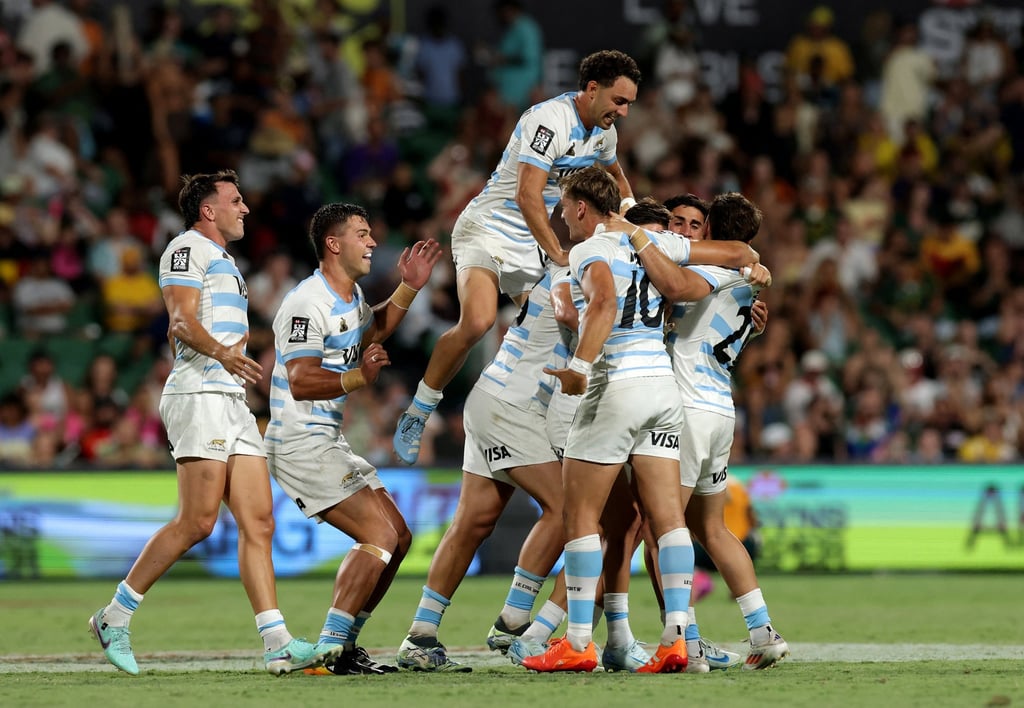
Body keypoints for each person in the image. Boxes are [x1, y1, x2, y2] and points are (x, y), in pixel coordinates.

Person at [88, 170, 323, 676]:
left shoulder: (227, 262)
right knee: (197, 521)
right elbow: (179, 321)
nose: (245, 209)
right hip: (198, 393)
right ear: (208, 210)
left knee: (259, 521)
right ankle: (114, 616)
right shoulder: (185, 248)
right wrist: (225, 355)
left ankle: (278, 642)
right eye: (235, 201)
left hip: (231, 399)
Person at [521, 167, 741, 673]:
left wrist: (578, 368)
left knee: (581, 517)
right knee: (667, 521)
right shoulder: (656, 241)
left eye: (563, 207)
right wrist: (753, 269)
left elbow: (603, 302)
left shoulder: (588, 249)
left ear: (580, 208)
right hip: (663, 391)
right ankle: (676, 638)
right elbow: (736, 254)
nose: (560, 216)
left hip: (614, 385)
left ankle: (577, 641)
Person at [393, 49, 642, 465]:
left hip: (530, 243)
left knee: (565, 324)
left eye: (630, 103)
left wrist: (633, 214)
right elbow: (527, 196)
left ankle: (546, 419)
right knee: (478, 320)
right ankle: (419, 409)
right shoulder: (549, 120)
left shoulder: (605, 132)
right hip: (486, 231)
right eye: (619, 101)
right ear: (593, 89)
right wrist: (559, 255)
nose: (624, 111)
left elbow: (616, 176)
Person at [264, 202, 442, 676]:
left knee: (399, 539)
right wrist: (356, 380)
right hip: (298, 441)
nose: (372, 243)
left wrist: (408, 287)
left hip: (326, 439)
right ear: (333, 243)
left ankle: (345, 646)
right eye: (362, 234)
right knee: (378, 535)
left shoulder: (350, 295)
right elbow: (300, 380)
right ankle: (327, 650)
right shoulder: (307, 302)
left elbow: (370, 329)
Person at [626, 191, 790, 671]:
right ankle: (763, 631)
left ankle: (684, 640)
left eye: (698, 227)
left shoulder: (715, 272)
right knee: (711, 529)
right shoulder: (745, 285)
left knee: (664, 527)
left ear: (713, 231)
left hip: (690, 410)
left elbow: (676, 286)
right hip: (721, 410)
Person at [396, 261, 573, 672]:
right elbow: (573, 316)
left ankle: (419, 635)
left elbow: (518, 286)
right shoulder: (591, 266)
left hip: (494, 395)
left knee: (472, 522)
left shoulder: (563, 263)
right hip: (515, 405)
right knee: (569, 510)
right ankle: (513, 621)